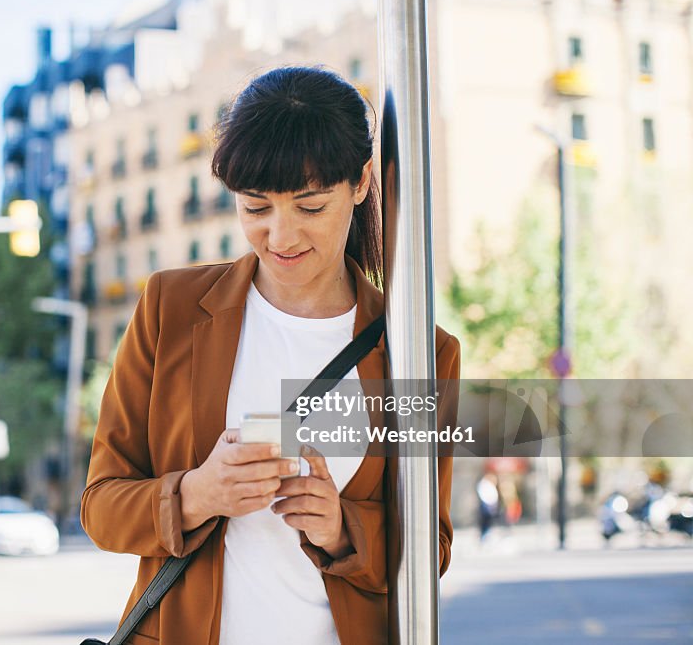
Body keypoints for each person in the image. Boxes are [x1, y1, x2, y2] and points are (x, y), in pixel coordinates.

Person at [81, 66, 461, 644]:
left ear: (360, 183)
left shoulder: (422, 353)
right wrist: (194, 494)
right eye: (256, 208)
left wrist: (340, 529)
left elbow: (429, 550)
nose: (281, 237)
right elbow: (100, 507)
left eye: (310, 207)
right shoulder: (171, 309)